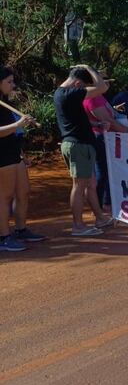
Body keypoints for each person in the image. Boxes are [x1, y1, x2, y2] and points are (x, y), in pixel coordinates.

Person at [54, 65, 114, 236]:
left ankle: (100, 218)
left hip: (81, 144)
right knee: (79, 185)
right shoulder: (68, 93)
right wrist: (89, 68)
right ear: (78, 83)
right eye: (84, 86)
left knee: (90, 184)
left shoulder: (64, 94)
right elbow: (102, 87)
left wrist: (96, 124)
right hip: (78, 145)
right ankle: (78, 226)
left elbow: (74, 119)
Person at [0, 67, 45, 251]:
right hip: (2, 155)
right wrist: (18, 123)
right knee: (5, 197)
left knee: (23, 191)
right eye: (9, 82)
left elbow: (14, 133)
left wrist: (22, 154)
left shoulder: (6, 103)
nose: (13, 85)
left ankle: (21, 229)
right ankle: (3, 237)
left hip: (14, 153)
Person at [83, 74, 128, 209]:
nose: (107, 85)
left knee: (106, 170)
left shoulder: (99, 96)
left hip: (106, 137)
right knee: (102, 171)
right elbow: (107, 120)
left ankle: (105, 202)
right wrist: (126, 131)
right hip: (100, 137)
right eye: (104, 82)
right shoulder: (93, 98)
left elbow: (110, 116)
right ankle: (99, 205)